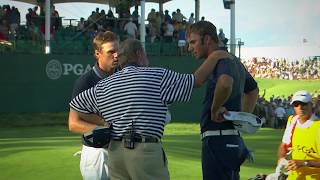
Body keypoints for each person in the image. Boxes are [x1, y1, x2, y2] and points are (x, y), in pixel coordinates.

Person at [69, 39, 227, 180]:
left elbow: (76, 106)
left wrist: (103, 121)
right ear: (139, 54)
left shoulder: (105, 84)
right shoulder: (157, 75)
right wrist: (214, 57)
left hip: (116, 154)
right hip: (145, 151)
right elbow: (196, 81)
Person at [186, 21, 259, 180]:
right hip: (232, 139)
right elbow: (253, 90)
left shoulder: (221, 59)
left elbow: (225, 83)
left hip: (217, 140)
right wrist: (241, 118)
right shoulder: (234, 60)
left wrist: (215, 108)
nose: (189, 48)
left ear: (207, 39)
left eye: (193, 42)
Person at [68, 31, 119, 180]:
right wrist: (105, 129)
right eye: (111, 52)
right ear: (98, 54)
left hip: (122, 152)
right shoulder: (85, 82)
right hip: (97, 154)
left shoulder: (124, 75)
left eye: (118, 51)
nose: (116, 55)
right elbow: (73, 123)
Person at [277, 90, 320, 179]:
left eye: (304, 104)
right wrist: (281, 159)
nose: (300, 107)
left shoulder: (318, 126)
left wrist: (304, 163)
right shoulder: (292, 121)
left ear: (311, 105)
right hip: (295, 176)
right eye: (296, 104)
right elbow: (284, 145)